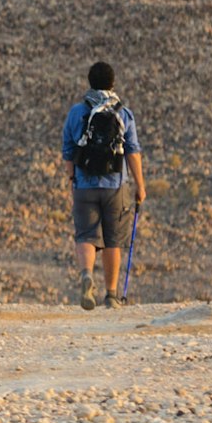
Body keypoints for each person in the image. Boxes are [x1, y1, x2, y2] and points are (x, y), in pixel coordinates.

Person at [61, 59, 146, 307]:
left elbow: (68, 150)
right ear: (112, 83)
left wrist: (72, 179)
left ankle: (87, 275)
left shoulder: (77, 113)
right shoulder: (123, 113)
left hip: (84, 185)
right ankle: (111, 294)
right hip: (115, 186)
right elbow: (132, 151)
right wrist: (140, 185)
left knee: (86, 235)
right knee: (113, 239)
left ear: (90, 82)